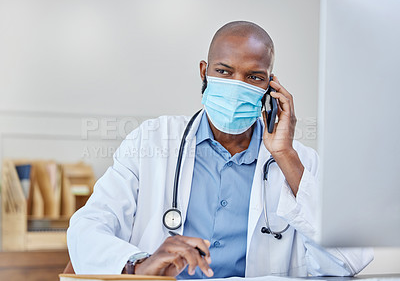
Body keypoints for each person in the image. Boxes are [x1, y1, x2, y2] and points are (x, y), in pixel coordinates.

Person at [67, 21, 373, 278]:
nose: (237, 85)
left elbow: (350, 259)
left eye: (254, 77)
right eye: (224, 71)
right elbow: (87, 227)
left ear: (271, 87)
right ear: (204, 72)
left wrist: (285, 155)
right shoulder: (152, 141)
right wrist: (138, 264)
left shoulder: (298, 162)